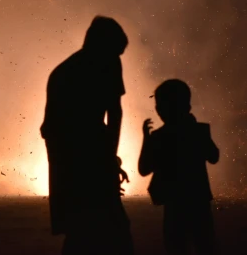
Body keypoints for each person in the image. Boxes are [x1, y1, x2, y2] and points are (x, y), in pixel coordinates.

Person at [40, 16, 134, 255]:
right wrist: (109, 159)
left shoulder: (62, 71)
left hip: (65, 156)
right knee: (113, 228)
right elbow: (115, 114)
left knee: (79, 228)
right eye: (117, 52)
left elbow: (50, 128)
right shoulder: (107, 62)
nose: (118, 58)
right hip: (86, 154)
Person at [138, 79, 220, 255]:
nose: (158, 110)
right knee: (205, 244)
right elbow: (214, 156)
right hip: (199, 201)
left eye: (160, 105)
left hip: (174, 203)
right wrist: (196, 129)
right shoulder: (198, 131)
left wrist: (146, 138)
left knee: (176, 246)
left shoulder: (160, 137)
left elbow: (144, 169)